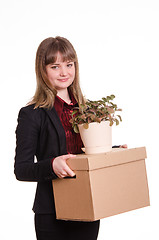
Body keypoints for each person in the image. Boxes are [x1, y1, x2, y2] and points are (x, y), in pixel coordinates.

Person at [14, 36, 127, 240]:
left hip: (87, 205)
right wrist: (52, 166)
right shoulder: (31, 114)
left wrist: (114, 151)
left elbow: (84, 153)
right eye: (55, 66)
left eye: (69, 64)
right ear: (43, 70)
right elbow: (21, 169)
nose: (64, 72)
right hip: (51, 212)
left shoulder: (88, 110)